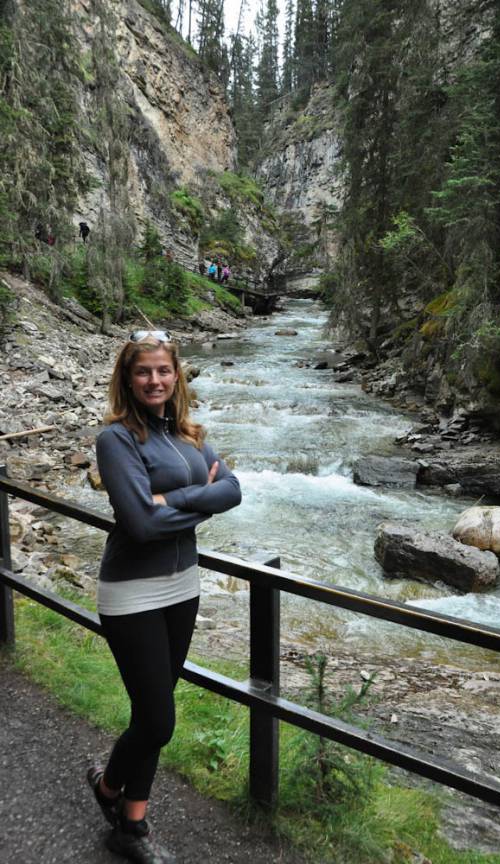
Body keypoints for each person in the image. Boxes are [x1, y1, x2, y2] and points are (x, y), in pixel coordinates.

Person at [88, 330, 241, 863]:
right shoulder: (116, 439)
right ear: (128, 379)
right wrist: (200, 500)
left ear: (177, 375)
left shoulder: (189, 433)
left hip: (183, 586)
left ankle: (126, 817)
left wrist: (170, 499)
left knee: (152, 711)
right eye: (143, 371)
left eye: (163, 370)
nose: (154, 380)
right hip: (131, 592)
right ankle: (112, 794)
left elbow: (233, 490)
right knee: (158, 721)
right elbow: (141, 525)